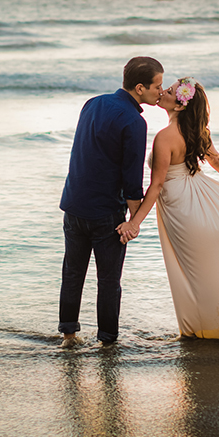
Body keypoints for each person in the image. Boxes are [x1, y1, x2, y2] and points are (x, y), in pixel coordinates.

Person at [117, 78, 219, 342]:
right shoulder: (196, 131)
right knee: (201, 273)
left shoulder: (165, 137)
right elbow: (216, 159)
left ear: (179, 105)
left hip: (181, 207)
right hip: (197, 197)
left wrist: (134, 222)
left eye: (168, 91)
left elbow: (156, 186)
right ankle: (218, 326)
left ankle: (204, 330)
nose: (162, 93)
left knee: (193, 274)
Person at [58, 56, 164, 347]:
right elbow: (132, 181)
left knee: (72, 272)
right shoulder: (134, 121)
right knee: (108, 281)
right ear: (140, 88)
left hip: (74, 204)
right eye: (157, 86)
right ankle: (108, 341)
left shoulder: (92, 103)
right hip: (106, 213)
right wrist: (133, 222)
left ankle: (68, 335)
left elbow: (85, 152)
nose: (161, 91)